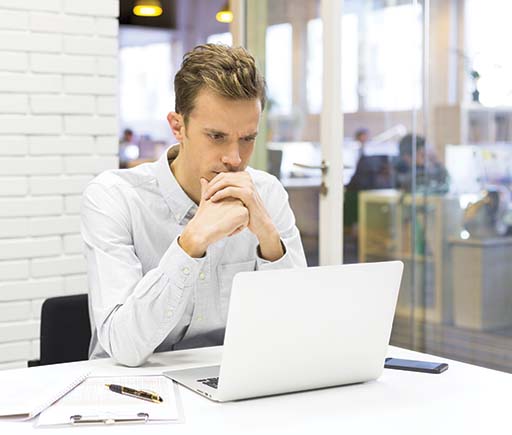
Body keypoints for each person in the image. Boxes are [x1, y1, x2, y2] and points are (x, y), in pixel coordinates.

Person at [81, 44, 307, 367]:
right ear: (177, 127)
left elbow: (300, 329)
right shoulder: (113, 198)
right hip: (134, 390)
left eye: (247, 139)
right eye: (216, 136)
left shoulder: (267, 193)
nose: (234, 158)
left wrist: (269, 240)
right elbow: (125, 346)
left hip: (234, 387)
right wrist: (191, 243)